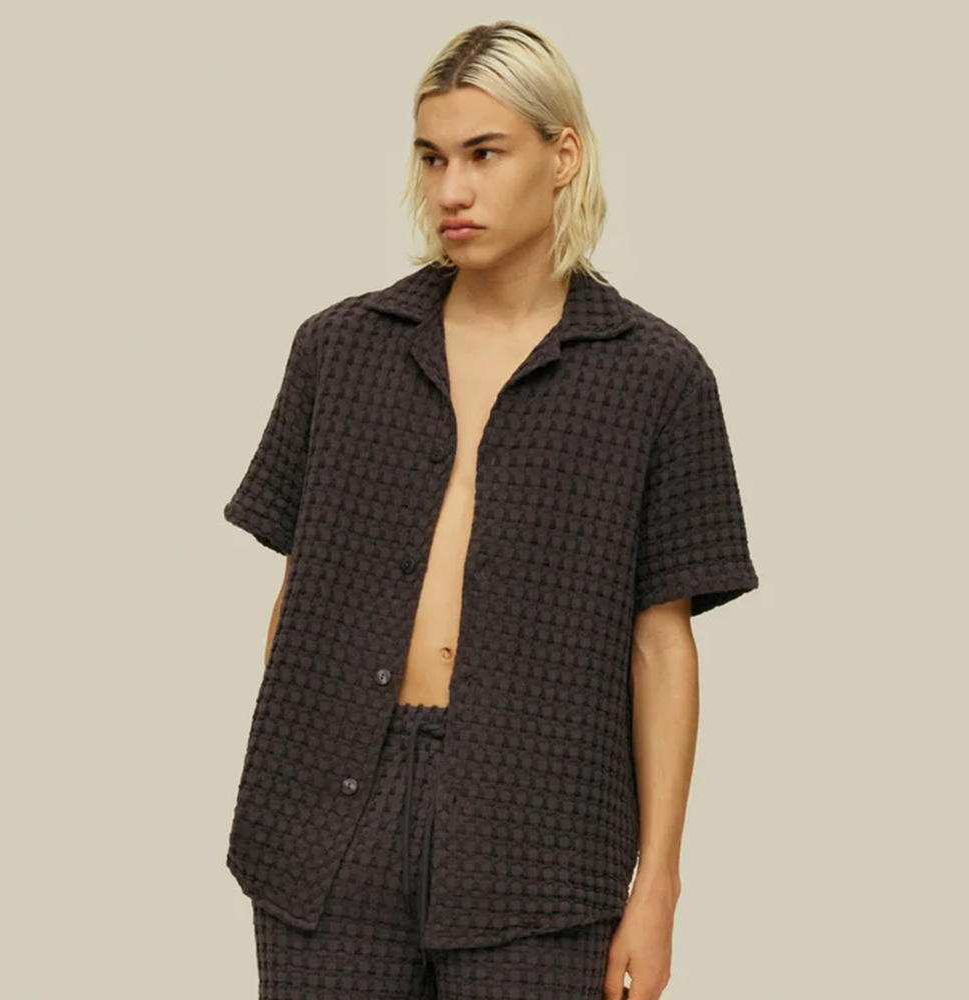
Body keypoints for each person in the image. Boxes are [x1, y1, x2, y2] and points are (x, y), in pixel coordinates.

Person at [223, 19, 759, 1000]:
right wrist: (296, 783)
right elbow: (299, 596)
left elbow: (661, 645)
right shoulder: (340, 350)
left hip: (542, 837)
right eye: (432, 158)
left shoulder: (654, 378)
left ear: (563, 156)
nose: (450, 191)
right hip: (327, 830)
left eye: (483, 154)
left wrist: (658, 887)